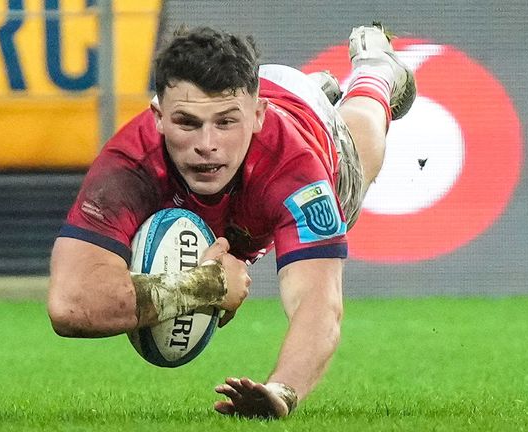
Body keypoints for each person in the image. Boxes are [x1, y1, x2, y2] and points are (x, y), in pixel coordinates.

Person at [47, 22, 415, 419]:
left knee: (359, 153)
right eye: (187, 122)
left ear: (257, 116)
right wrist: (206, 286)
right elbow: (70, 305)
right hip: (259, 123)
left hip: (312, 128)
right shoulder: (130, 162)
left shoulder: (295, 170)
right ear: (157, 116)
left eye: (225, 122)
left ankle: (374, 72)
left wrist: (282, 390)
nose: (207, 145)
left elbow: (318, 305)